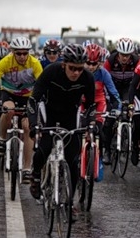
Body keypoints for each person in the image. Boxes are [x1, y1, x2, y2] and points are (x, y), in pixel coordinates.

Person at [27, 44, 96, 201]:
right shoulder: (51, 71)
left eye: (80, 69)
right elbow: (33, 100)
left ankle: (69, 203)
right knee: (44, 148)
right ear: (64, 64)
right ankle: (35, 176)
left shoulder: (87, 77)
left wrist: (91, 124)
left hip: (70, 115)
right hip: (49, 112)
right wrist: (33, 125)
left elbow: (91, 105)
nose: (76, 73)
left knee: (73, 160)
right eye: (72, 68)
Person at [0, 36, 43, 181]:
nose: (22, 56)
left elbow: (42, 85)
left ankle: (26, 168)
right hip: (9, 93)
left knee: (27, 127)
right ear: (13, 52)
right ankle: (1, 139)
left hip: (28, 96)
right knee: (9, 110)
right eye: (19, 53)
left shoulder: (35, 63)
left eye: (25, 53)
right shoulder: (5, 61)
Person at [84, 44, 122, 165]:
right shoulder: (79, 72)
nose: (90, 67)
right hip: (83, 103)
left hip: (98, 103)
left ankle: (100, 157)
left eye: (94, 64)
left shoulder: (104, 73)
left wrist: (117, 108)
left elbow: (114, 93)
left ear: (99, 63)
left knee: (99, 130)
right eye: (88, 63)